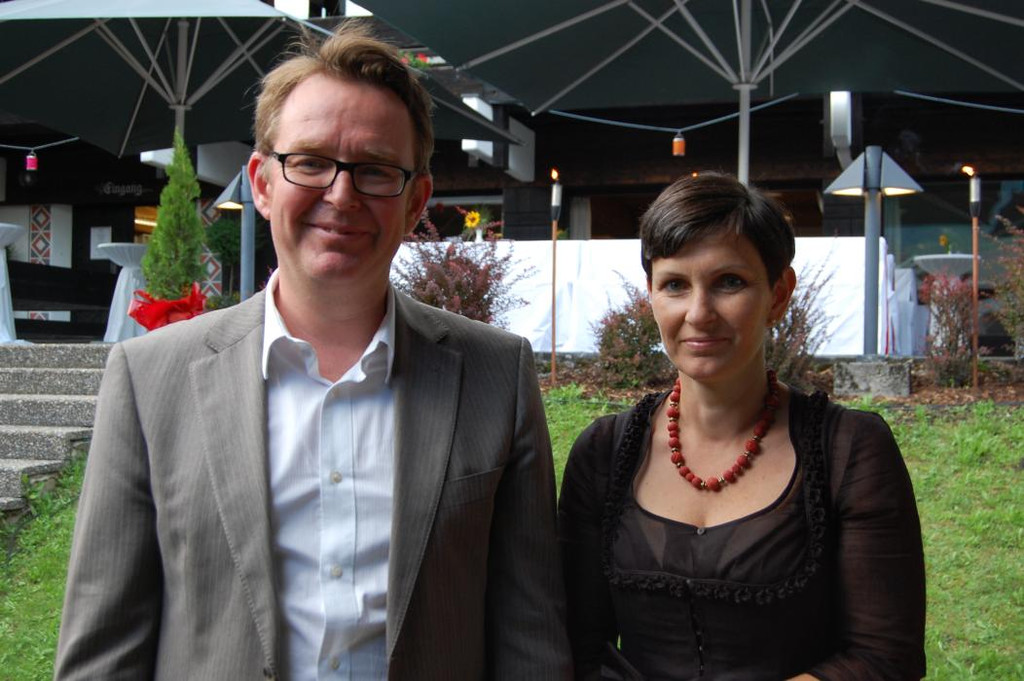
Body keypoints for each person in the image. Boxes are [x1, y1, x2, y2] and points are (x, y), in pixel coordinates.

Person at [55, 25, 571, 680]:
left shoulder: (496, 374)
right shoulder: (149, 378)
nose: (341, 195)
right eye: (310, 162)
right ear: (261, 182)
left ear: (416, 200)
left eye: (375, 170)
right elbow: (104, 649)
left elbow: (530, 637)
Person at [558, 173, 926, 680]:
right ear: (651, 295)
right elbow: (578, 645)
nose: (699, 313)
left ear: (779, 293)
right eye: (675, 285)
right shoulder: (603, 452)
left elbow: (884, 658)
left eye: (729, 282)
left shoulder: (850, 451)